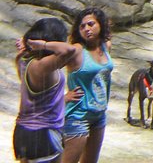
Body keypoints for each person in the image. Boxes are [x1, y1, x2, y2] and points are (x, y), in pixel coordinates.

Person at [14, 18, 78, 163]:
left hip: (23, 132)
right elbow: (69, 50)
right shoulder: (42, 66)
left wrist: (63, 99)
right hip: (43, 134)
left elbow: (38, 97)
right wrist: (44, 45)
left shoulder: (23, 60)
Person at [57, 9, 111, 163]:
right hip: (78, 116)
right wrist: (62, 97)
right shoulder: (77, 51)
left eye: (91, 24)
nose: (86, 29)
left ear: (100, 24)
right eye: (82, 26)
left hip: (99, 115)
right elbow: (48, 69)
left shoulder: (106, 46)